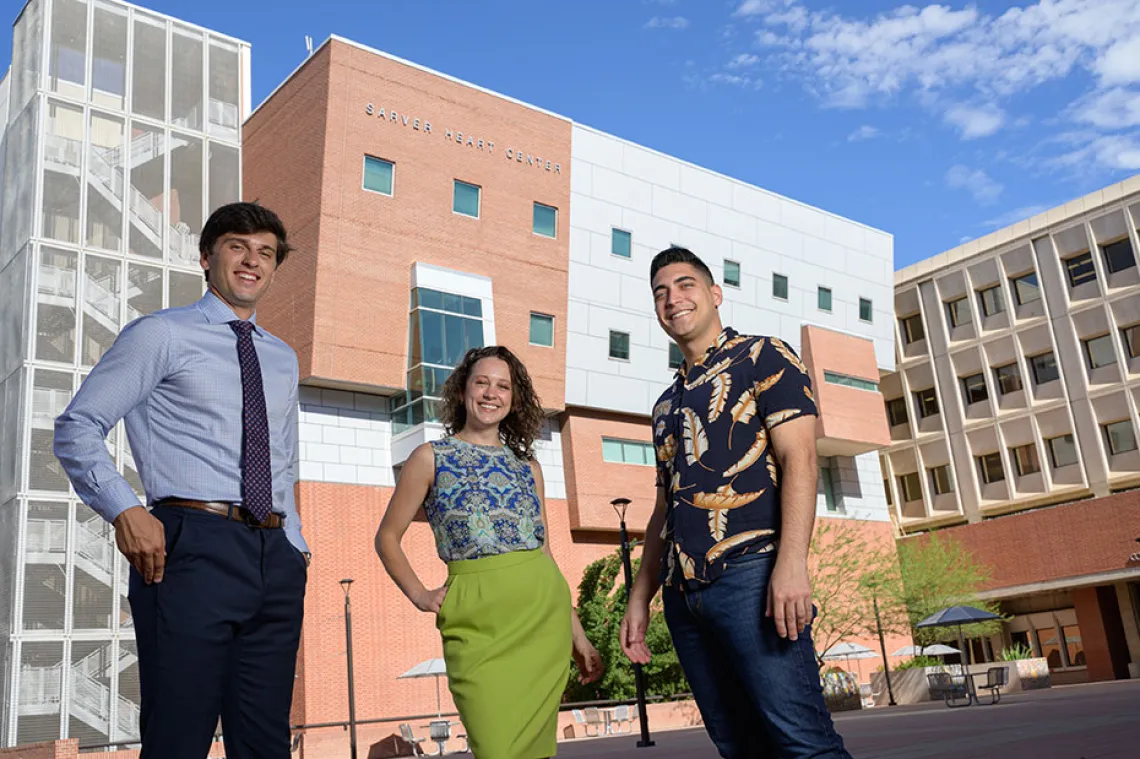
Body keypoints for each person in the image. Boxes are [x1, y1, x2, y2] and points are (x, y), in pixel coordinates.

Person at [54, 202, 308, 759]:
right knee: (179, 734)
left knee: (267, 740)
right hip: (189, 546)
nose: (252, 261)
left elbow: (283, 460)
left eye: (265, 252)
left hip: (274, 557)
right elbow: (78, 426)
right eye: (238, 247)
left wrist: (295, 546)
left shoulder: (283, 358)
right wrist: (126, 510)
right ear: (206, 257)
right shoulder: (161, 335)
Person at [620, 247, 851, 758]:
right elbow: (665, 509)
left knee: (804, 743)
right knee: (738, 747)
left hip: (753, 576)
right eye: (660, 293)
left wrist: (792, 564)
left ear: (715, 294)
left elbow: (802, 460)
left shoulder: (764, 356)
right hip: (685, 598)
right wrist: (641, 595)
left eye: (685, 285)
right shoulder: (665, 406)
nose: (672, 299)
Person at [376, 346, 603, 758]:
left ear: (513, 400)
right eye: (482, 382)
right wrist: (421, 595)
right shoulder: (429, 458)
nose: (491, 393)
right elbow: (387, 537)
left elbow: (546, 554)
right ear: (463, 390)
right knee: (495, 747)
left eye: (503, 386)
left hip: (541, 614)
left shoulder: (528, 467)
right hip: (475, 623)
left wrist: (580, 639)